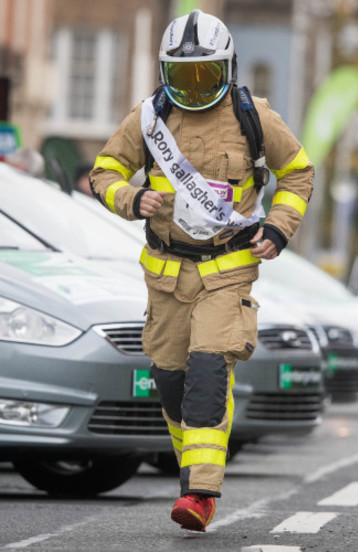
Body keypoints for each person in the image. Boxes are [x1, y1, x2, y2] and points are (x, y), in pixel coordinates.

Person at [89, 10, 313, 532]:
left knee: (210, 371)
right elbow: (104, 170)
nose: (193, 87)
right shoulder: (148, 118)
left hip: (228, 270)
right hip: (165, 273)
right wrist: (129, 196)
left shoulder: (254, 115)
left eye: (205, 74)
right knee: (169, 379)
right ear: (164, 72)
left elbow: (298, 173)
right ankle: (193, 466)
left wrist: (278, 228)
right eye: (181, 75)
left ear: (227, 68)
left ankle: (201, 491)